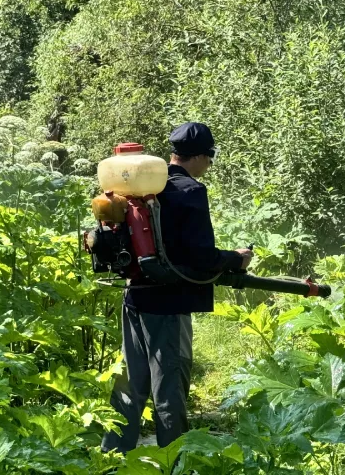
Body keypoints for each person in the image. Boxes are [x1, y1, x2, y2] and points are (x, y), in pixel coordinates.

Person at [101, 122, 254, 453]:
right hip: (168, 303)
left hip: (135, 295)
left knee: (132, 384)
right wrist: (236, 258)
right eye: (210, 158)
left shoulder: (143, 186)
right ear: (198, 156)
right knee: (169, 388)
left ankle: (110, 458)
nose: (209, 165)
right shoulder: (190, 191)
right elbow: (201, 256)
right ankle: (176, 461)